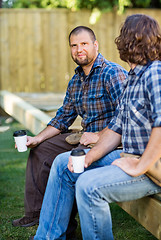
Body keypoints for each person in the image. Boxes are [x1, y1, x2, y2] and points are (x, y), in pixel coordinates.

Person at [30, 14, 161, 240]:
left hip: (155, 166)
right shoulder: (133, 78)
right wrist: (89, 158)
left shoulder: (156, 73)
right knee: (65, 163)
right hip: (130, 156)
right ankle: (47, 238)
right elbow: (115, 129)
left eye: (124, 36)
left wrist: (140, 165)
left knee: (88, 186)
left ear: (131, 40)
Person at [12, 25, 127, 235]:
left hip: (109, 141)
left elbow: (127, 118)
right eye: (74, 45)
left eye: (84, 44)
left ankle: (64, 226)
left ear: (95, 45)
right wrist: (37, 138)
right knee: (41, 149)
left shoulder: (113, 74)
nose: (79, 49)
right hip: (84, 137)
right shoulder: (76, 81)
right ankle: (38, 214)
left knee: (67, 164)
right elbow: (63, 117)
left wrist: (100, 135)